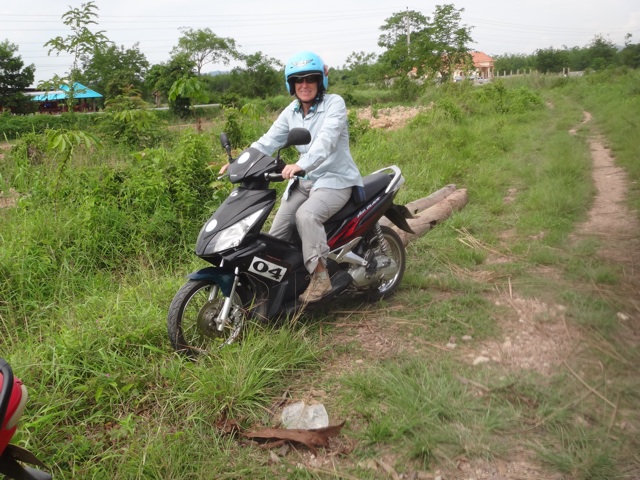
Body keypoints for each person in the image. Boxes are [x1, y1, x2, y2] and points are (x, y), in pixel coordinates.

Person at [249, 51, 363, 303]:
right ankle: (281, 286)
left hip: (334, 180)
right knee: (276, 236)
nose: (304, 85)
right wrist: (241, 161)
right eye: (298, 80)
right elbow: (269, 140)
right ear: (290, 85)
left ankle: (321, 278)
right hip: (303, 182)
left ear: (320, 80)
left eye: (310, 79)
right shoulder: (291, 111)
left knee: (306, 216)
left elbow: (325, 142)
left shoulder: (335, 103)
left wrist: (300, 164)